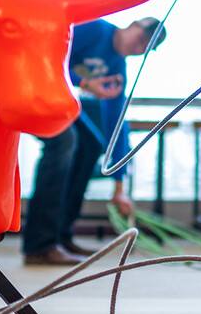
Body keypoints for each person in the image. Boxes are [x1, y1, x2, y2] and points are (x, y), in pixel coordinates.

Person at [21, 17, 165, 265]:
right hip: (30, 87)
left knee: (90, 146)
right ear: (131, 24)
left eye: (145, 49)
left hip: (56, 100)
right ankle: (39, 244)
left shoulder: (117, 68)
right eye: (141, 39)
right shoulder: (97, 30)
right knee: (64, 141)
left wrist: (119, 187)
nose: (138, 48)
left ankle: (60, 235)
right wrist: (85, 83)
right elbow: (48, 57)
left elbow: (117, 122)